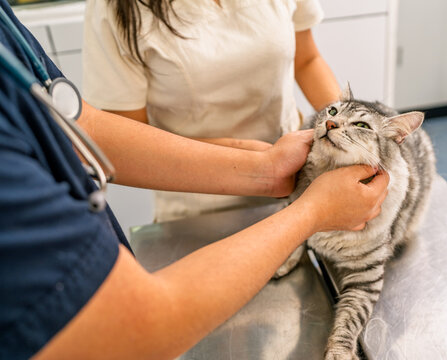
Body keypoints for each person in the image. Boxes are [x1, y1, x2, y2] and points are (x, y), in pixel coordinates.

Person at [0, 2, 389, 359]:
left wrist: (333, 143)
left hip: (295, 174)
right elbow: (138, 327)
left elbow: (76, 122)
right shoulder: (115, 10)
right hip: (197, 208)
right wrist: (311, 209)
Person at [83, 0, 343, 222]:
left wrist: (347, 126)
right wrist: (260, 164)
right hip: (201, 204)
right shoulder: (112, 8)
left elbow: (308, 60)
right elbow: (125, 146)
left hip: (297, 180)